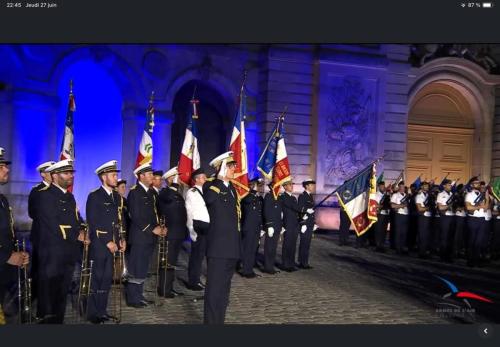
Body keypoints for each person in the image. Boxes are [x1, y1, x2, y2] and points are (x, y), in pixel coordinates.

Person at [36, 159, 88, 323]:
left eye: (71, 172)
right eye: (66, 173)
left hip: (68, 252)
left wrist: (82, 229)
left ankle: (58, 321)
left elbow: (76, 219)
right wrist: (76, 234)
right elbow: (53, 224)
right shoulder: (45, 196)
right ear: (55, 175)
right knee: (51, 291)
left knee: (62, 291)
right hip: (53, 253)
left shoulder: (70, 197)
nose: (71, 176)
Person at [86, 160, 126, 324]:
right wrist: (107, 241)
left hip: (114, 245)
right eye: (113, 175)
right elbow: (93, 221)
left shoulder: (116, 197)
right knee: (96, 279)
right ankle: (93, 313)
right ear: (104, 177)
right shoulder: (94, 196)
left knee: (106, 280)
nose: (116, 178)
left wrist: (122, 239)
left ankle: (102, 311)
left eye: (116, 174)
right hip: (100, 246)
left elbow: (120, 221)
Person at [203, 151, 240, 324]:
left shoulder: (232, 188)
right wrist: (218, 178)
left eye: (233, 166)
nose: (234, 169)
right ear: (222, 168)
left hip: (231, 247)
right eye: (231, 166)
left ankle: (219, 322)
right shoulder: (211, 186)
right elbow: (209, 200)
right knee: (214, 289)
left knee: (224, 290)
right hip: (218, 248)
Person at [125, 163, 166, 307]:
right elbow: (135, 216)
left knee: (143, 267)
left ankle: (139, 295)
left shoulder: (150, 192)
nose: (152, 177)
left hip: (149, 237)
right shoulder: (135, 192)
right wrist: (151, 229)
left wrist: (160, 227)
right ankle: (132, 298)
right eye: (149, 175)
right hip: (140, 237)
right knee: (136, 267)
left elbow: (154, 214)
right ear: (141, 176)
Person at [0, 148, 30, 323]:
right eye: (2, 166)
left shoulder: (2, 200)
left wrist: (18, 253)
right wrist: (8, 256)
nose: (7, 169)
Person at [27, 160, 55, 316]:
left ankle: (48, 295)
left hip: (55, 237)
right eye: (50, 171)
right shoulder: (37, 191)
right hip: (41, 234)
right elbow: (32, 212)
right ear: (43, 174)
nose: (53, 174)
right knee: (39, 267)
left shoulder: (58, 190)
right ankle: (35, 295)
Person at [157, 166, 187, 298]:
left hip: (178, 233)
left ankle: (169, 287)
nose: (179, 179)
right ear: (170, 179)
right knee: (167, 263)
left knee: (172, 263)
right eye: (176, 177)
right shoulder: (165, 193)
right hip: (170, 234)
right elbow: (167, 199)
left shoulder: (177, 193)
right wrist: (173, 184)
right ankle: (163, 289)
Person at [185, 168, 210, 291]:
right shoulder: (192, 192)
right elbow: (189, 212)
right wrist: (191, 229)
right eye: (203, 177)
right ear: (197, 179)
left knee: (202, 255)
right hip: (198, 226)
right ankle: (193, 281)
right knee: (197, 256)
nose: (206, 179)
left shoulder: (205, 191)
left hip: (206, 226)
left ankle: (196, 279)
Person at [239, 177, 264, 278]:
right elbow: (247, 201)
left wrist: (261, 227)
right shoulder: (247, 196)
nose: (259, 188)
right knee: (247, 249)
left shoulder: (257, 197)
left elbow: (259, 213)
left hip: (256, 227)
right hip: (248, 227)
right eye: (257, 185)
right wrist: (251, 190)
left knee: (253, 249)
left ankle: (249, 269)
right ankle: (245, 270)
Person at [465, 177, 490, 267]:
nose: (478, 184)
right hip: (473, 219)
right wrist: (479, 207)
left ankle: (476, 260)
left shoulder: (482, 194)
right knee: (472, 240)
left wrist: (487, 199)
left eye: (479, 183)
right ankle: (470, 260)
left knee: (479, 241)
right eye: (476, 183)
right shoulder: (469, 195)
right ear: (471, 185)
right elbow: (468, 207)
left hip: (482, 219)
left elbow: (486, 208)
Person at [262, 183, 282, 274]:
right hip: (271, 226)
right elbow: (266, 211)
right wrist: (269, 225)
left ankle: (271, 266)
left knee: (274, 247)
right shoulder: (268, 196)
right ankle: (267, 267)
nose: (278, 188)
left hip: (277, 226)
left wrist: (281, 225)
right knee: (269, 247)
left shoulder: (278, 197)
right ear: (271, 187)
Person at [297, 179, 317, 269]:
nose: (313, 186)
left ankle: (304, 261)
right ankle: (302, 262)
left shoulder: (310, 196)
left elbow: (312, 211)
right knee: (304, 243)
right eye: (311, 185)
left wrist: (314, 223)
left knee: (307, 243)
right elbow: (300, 209)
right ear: (306, 186)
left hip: (310, 223)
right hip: (305, 223)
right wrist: (303, 223)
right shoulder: (302, 196)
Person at [437, 179, 455, 262]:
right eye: (448, 185)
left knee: (450, 237)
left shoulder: (452, 194)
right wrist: (449, 205)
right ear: (444, 186)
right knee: (444, 237)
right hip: (445, 217)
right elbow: (440, 207)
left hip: (452, 216)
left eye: (450, 185)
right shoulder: (440, 195)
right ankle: (443, 255)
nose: (450, 186)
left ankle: (449, 255)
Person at [390, 181, 409, 254]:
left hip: (406, 215)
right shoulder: (395, 195)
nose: (402, 188)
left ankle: (402, 247)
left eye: (403, 187)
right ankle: (397, 248)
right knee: (398, 232)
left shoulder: (406, 195)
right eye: (401, 187)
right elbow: (392, 206)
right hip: (399, 215)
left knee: (404, 232)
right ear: (399, 187)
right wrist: (402, 206)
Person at [415, 181, 432, 258]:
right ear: (421, 187)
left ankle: (424, 251)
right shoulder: (419, 196)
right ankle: (421, 252)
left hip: (428, 216)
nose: (427, 187)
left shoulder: (428, 195)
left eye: (427, 186)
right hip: (422, 217)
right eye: (425, 186)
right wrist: (428, 208)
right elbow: (419, 208)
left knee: (427, 235)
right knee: (422, 235)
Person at [374, 180, 391, 252]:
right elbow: (376, 205)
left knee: (384, 230)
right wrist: (382, 205)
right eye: (381, 186)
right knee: (378, 230)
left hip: (385, 214)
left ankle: (382, 245)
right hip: (379, 214)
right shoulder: (376, 195)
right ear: (379, 187)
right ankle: (378, 245)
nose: (383, 187)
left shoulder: (386, 195)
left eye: (384, 186)